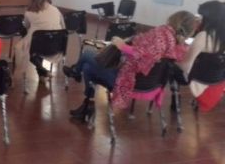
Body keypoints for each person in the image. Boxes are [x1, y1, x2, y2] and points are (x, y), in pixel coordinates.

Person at [65, 10, 196, 120]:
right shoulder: (179, 45)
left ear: (174, 19)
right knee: (88, 68)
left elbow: (143, 54)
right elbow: (151, 55)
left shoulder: (162, 35)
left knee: (87, 54)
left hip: (127, 80)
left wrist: (121, 45)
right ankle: (87, 104)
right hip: (151, 84)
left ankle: (76, 73)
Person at [176, 1, 225, 111]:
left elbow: (186, 67)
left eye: (201, 16)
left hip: (201, 84)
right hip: (219, 81)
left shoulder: (203, 36)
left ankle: (175, 104)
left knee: (169, 66)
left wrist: (173, 60)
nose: (198, 19)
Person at [14, 0, 65, 82]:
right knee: (37, 45)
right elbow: (63, 26)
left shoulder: (29, 12)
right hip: (56, 45)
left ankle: (42, 71)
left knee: (26, 49)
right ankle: (42, 73)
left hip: (39, 45)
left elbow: (26, 26)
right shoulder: (55, 9)